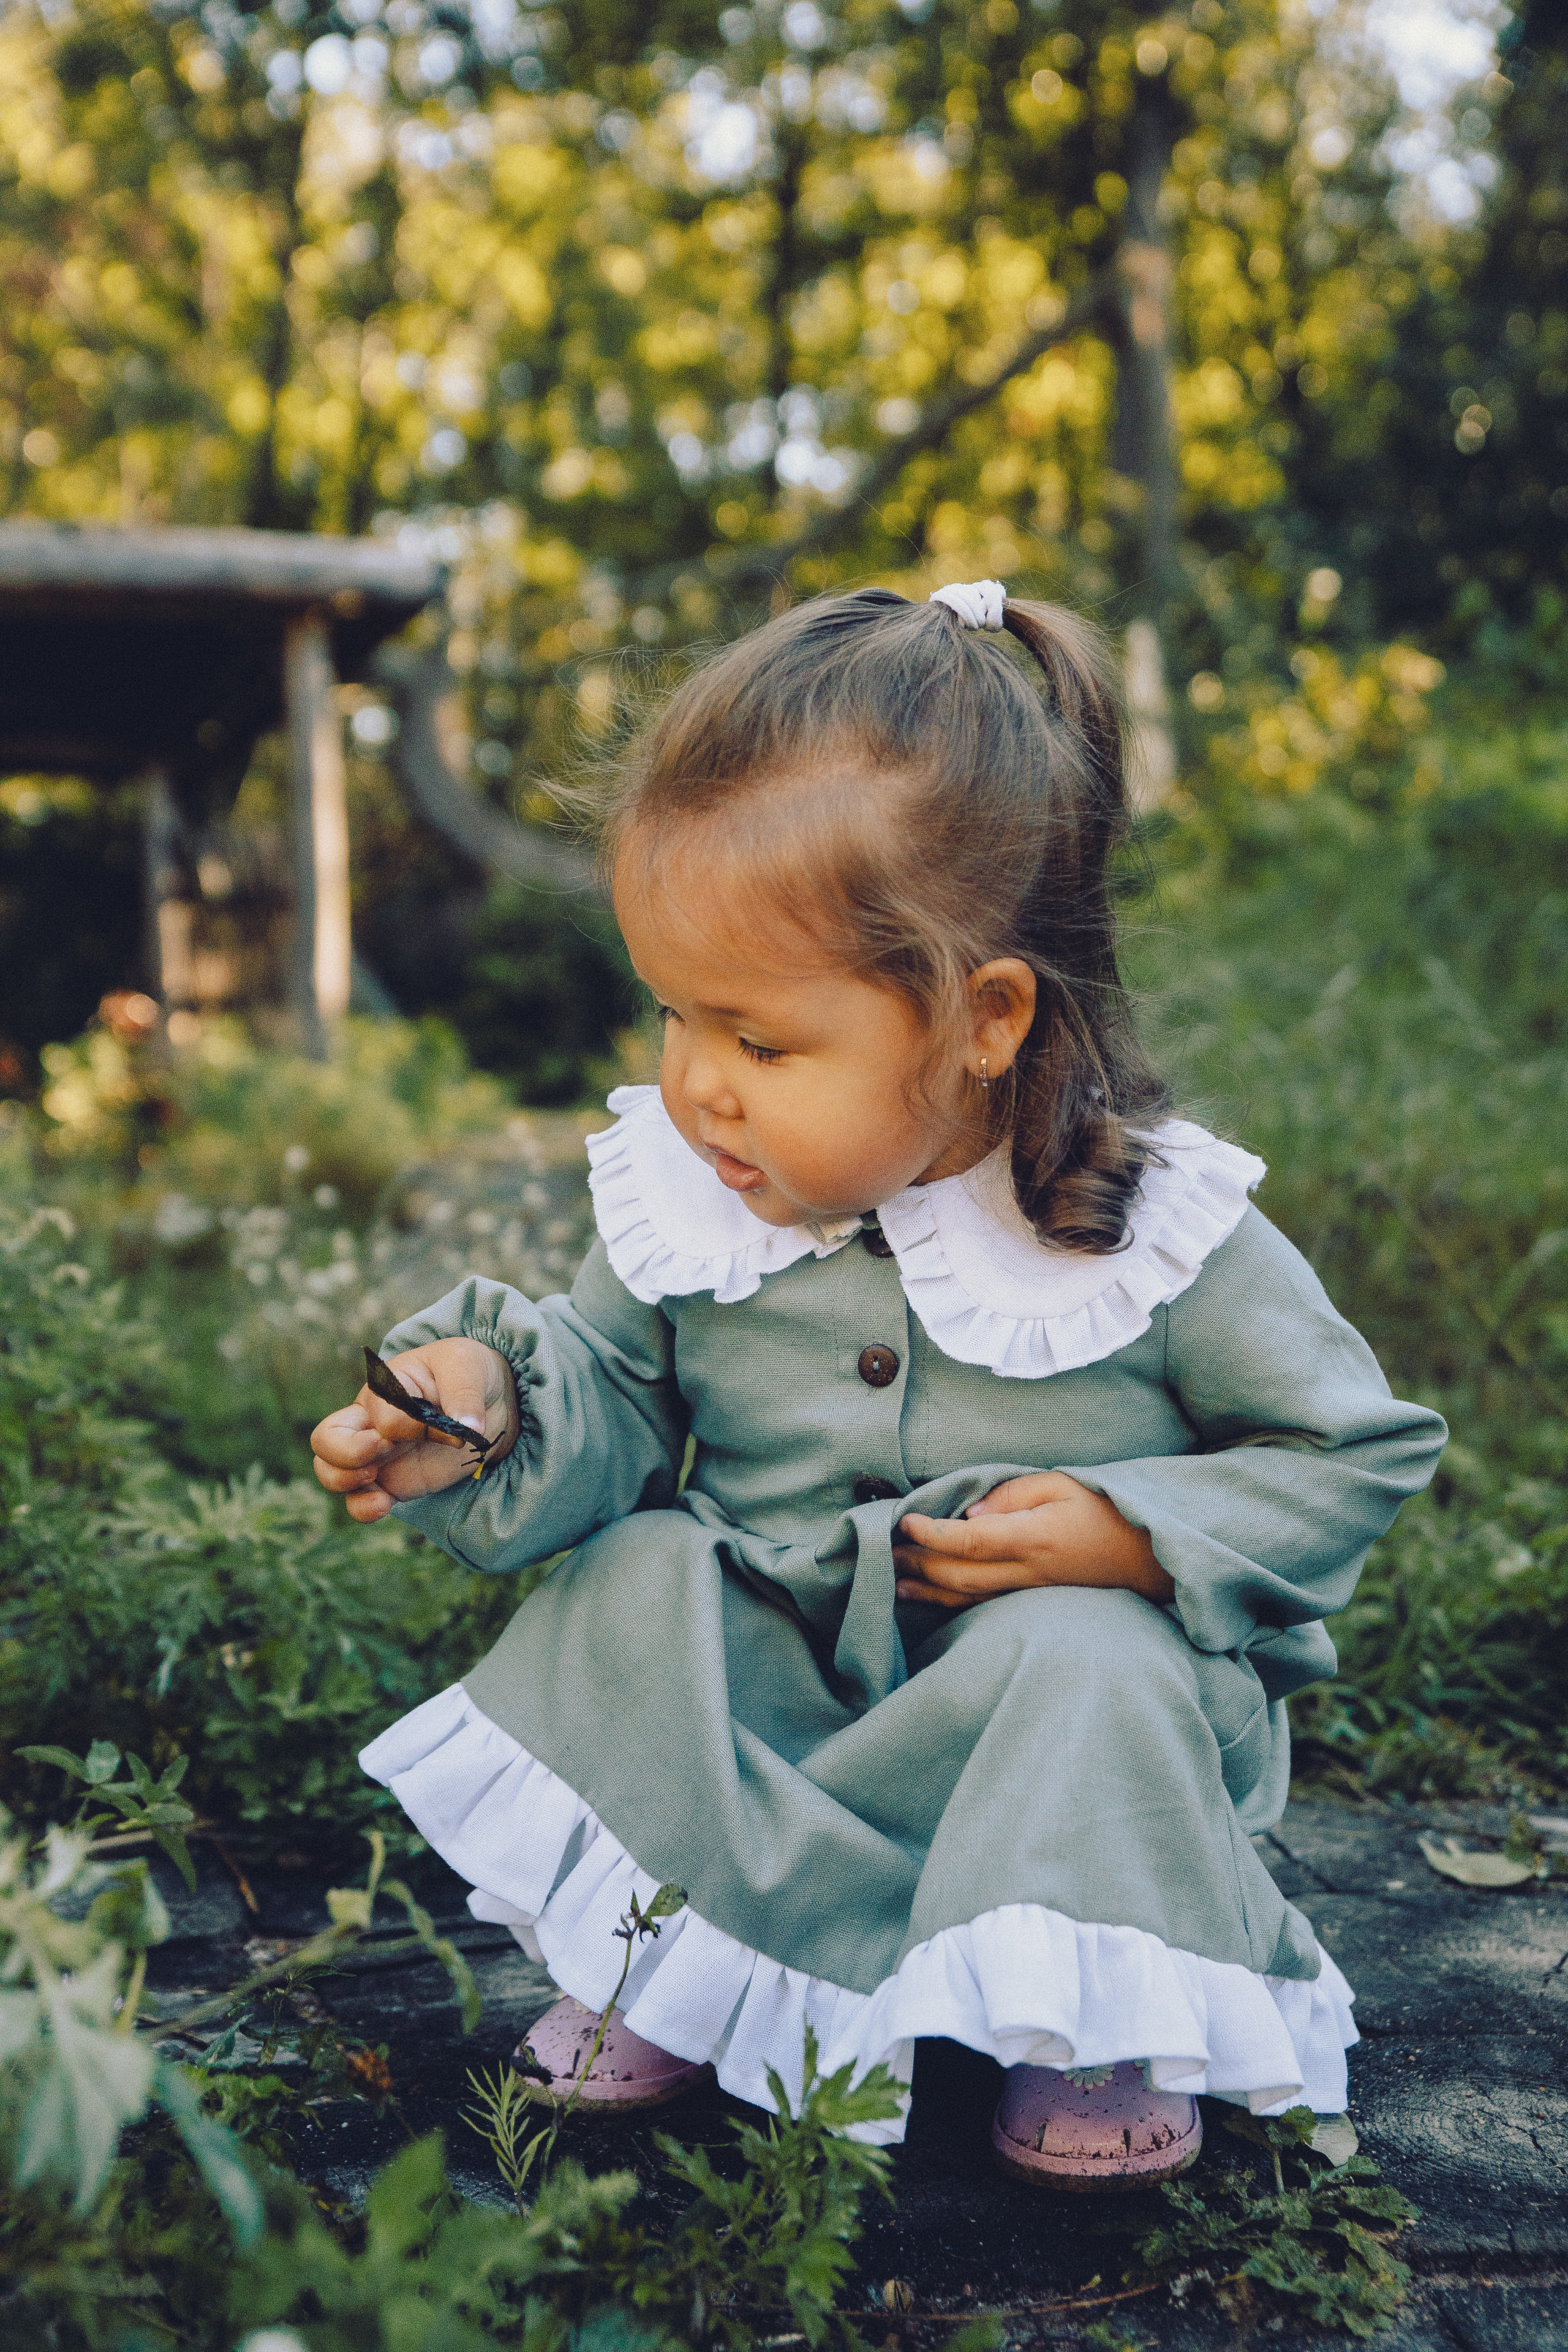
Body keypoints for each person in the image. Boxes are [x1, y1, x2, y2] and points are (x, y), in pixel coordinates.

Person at [311, 582, 1446, 2190]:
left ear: (985, 1018)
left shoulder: (1151, 1227)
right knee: (640, 1572)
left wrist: (1137, 1535)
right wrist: (483, 1401)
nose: (698, 1080)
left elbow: (1349, 1448)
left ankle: (1091, 1998)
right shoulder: (696, 1195)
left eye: (762, 1041)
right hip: (781, 1702)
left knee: (1084, 1653)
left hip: (1032, 1741)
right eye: (677, 1013)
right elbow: (613, 1394)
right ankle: (673, 1949)